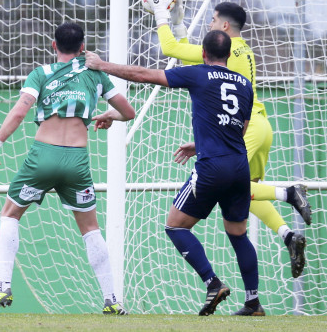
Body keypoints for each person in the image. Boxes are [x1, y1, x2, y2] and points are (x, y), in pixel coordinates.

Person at [86, 30, 264, 316]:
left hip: (213, 166)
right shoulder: (245, 83)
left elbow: (143, 75)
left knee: (176, 226)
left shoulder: (199, 74)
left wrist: (101, 65)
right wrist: (201, 143)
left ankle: (212, 282)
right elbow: (239, 128)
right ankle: (254, 303)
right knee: (238, 233)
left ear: (204, 54)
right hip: (239, 165)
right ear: (229, 56)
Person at [0, 23, 136, 315]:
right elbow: (129, 112)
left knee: (10, 214)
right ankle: (112, 300)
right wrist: (108, 115)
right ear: (83, 48)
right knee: (90, 229)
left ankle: (2, 286)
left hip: (42, 157)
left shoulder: (41, 73)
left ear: (53, 45)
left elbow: (20, 110)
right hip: (77, 160)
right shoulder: (96, 74)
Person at [150, 0, 310, 278]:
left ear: (224, 26)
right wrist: (180, 23)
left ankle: (288, 192)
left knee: (235, 187)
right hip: (260, 125)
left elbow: (170, 49)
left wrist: (162, 16)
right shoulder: (243, 49)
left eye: (212, 20)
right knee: (246, 192)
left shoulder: (224, 49)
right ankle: (287, 234)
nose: (210, 25)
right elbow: (196, 69)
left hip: (245, 129)